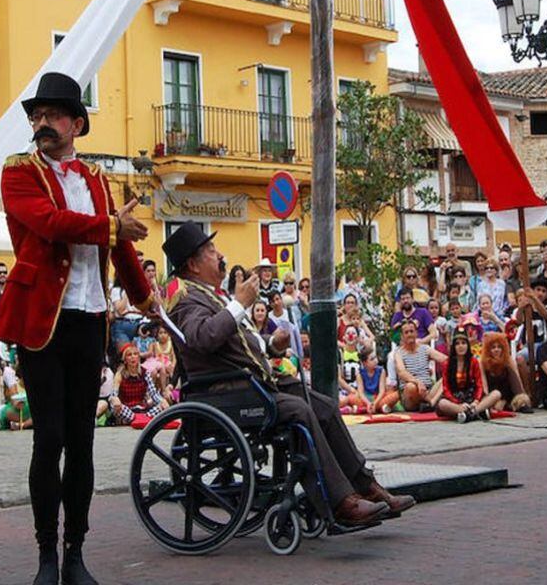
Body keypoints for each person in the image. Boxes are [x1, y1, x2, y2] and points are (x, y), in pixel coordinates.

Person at [0, 71, 152, 585]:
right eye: (37, 116)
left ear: (76, 124)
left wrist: (145, 298)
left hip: (89, 321)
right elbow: (50, 224)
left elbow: (121, 247)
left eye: (52, 116)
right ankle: (45, 554)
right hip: (42, 325)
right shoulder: (18, 172)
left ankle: (76, 553)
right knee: (51, 438)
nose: (42, 123)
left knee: (82, 442)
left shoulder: (96, 180)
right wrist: (111, 226)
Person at [164, 221, 414, 527]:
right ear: (192, 263)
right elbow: (203, 338)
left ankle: (367, 486)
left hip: (248, 382)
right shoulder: (186, 298)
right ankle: (339, 502)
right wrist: (240, 304)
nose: (220, 255)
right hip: (223, 392)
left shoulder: (211, 294)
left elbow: (239, 343)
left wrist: (272, 344)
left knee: (323, 406)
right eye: (211, 250)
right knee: (298, 411)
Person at [436, 328, 500, 422]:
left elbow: (479, 384)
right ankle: (475, 413)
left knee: (496, 394)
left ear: (467, 345)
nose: (461, 346)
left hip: (472, 397)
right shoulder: (447, 364)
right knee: (442, 404)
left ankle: (471, 413)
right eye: (457, 344)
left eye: (463, 343)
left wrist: (476, 401)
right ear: (454, 346)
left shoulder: (473, 361)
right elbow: (446, 388)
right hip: (454, 399)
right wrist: (458, 403)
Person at [393, 318, 446, 412]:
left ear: (416, 333)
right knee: (410, 387)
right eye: (406, 332)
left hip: (428, 391)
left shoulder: (425, 349)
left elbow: (444, 359)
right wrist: (418, 382)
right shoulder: (398, 353)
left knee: (447, 377)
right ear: (402, 336)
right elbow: (402, 372)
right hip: (411, 396)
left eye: (411, 331)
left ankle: (431, 403)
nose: (409, 334)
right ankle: (430, 403)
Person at [108, 343, 168, 425]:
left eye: (135, 354)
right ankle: (141, 420)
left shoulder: (145, 372)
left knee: (162, 405)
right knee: (116, 406)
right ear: (125, 359)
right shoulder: (120, 374)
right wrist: (115, 399)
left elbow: (153, 394)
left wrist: (162, 401)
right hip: (127, 409)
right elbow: (114, 394)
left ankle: (140, 419)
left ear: (138, 357)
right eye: (129, 355)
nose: (133, 357)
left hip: (142, 409)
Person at [479, 331, 531, 413]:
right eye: (493, 347)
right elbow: (484, 387)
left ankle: (516, 405)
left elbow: (517, 385)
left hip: (509, 396)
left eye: (499, 347)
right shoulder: (482, 363)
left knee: (521, 399)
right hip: (493, 396)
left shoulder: (508, 361)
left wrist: (520, 399)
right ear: (488, 350)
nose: (496, 350)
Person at [355, 348, 398, 414]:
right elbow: (361, 393)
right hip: (366, 398)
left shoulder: (381, 371)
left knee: (396, 394)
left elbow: (382, 391)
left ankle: (364, 409)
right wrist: (368, 403)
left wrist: (375, 403)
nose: (375, 360)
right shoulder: (359, 374)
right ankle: (380, 408)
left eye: (375, 357)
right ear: (365, 363)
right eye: (372, 359)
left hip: (379, 397)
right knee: (351, 397)